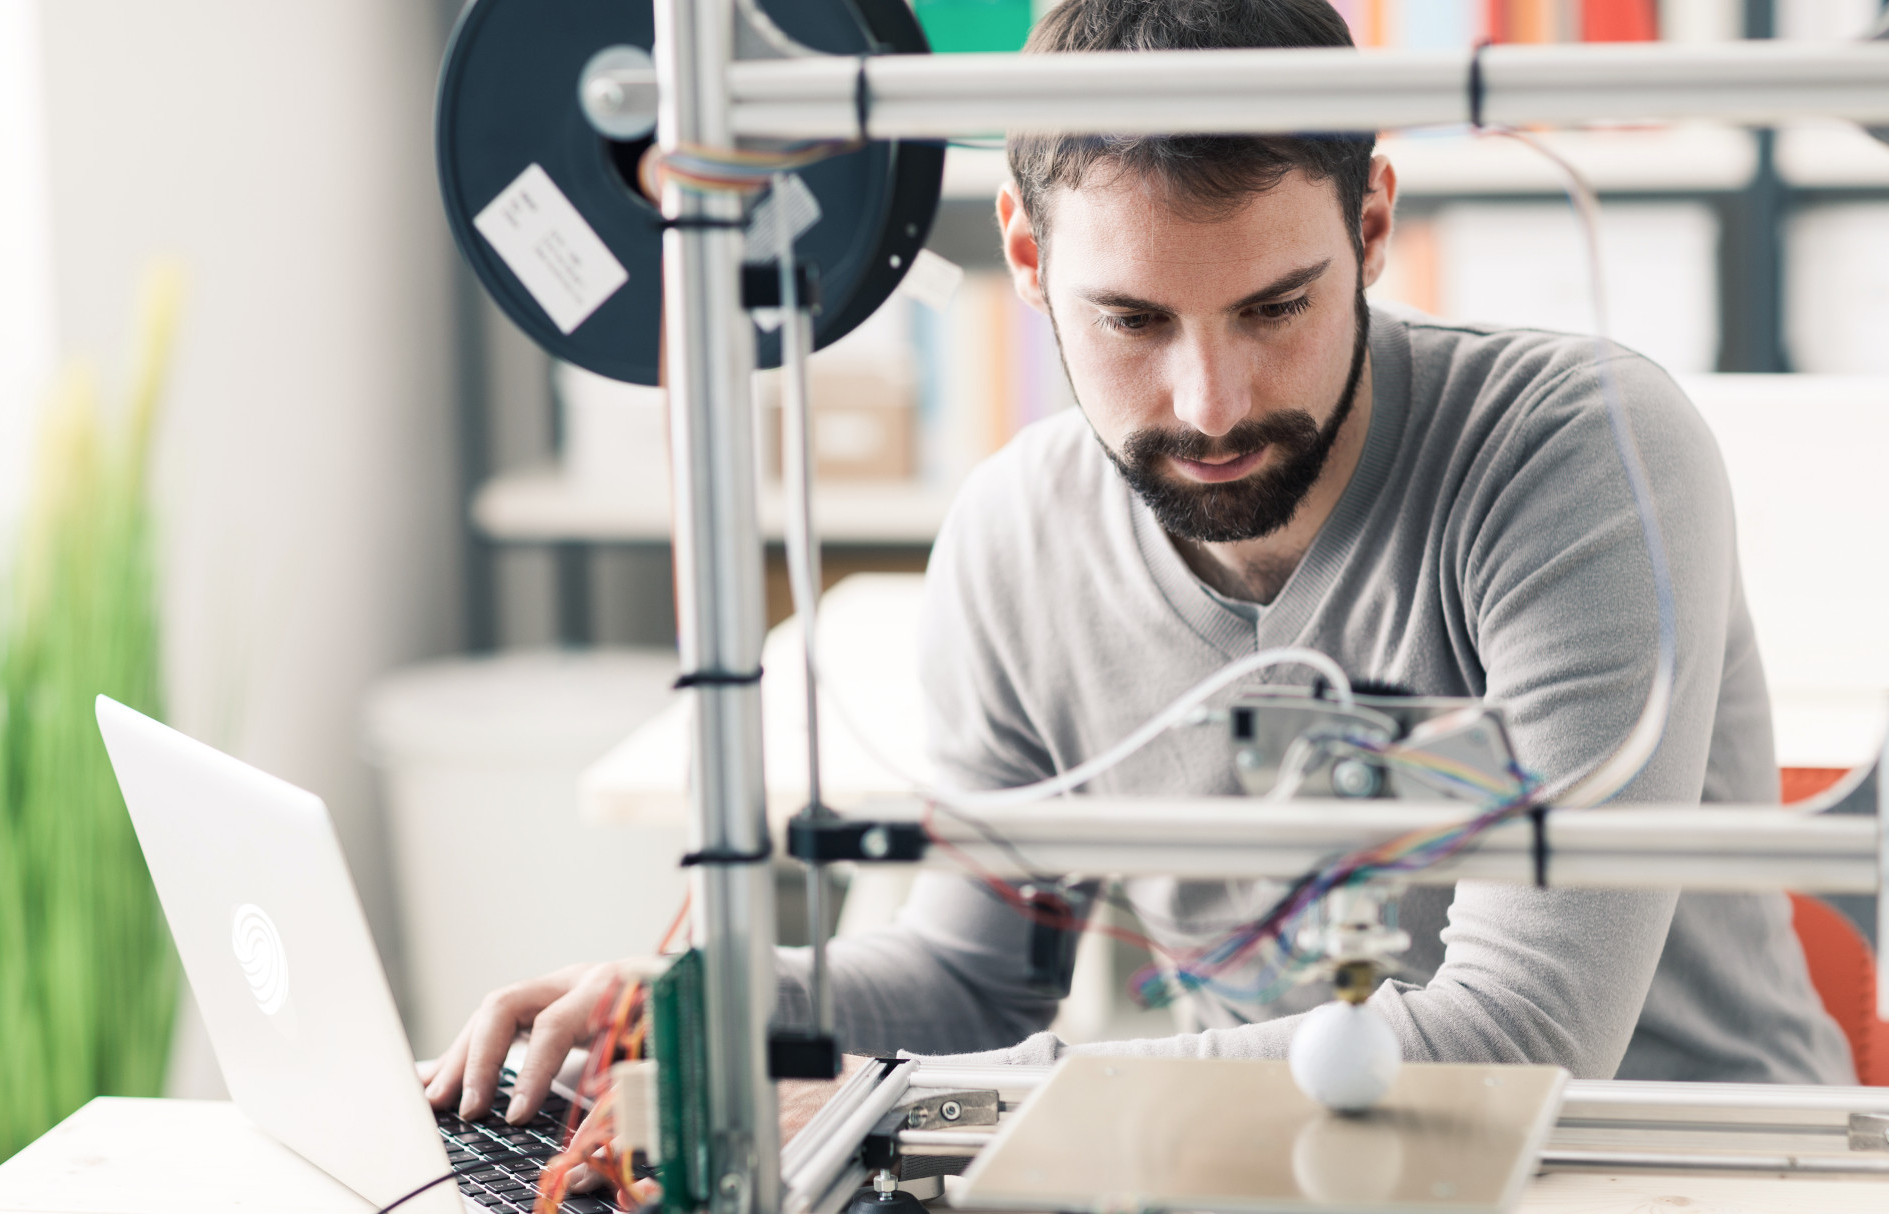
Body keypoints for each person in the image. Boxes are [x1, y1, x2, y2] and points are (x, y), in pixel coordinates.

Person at [420, 0, 1855, 1131]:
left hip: (1675, 1168)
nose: (1213, 401)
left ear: (1369, 227)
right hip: (1273, 1172)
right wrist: (715, 1005)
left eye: (1276, 306)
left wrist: (994, 1101)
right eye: (1131, 320)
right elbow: (970, 977)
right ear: (1026, 257)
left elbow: (1518, 1032)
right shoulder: (1010, 537)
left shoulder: (1576, 452)